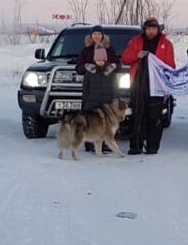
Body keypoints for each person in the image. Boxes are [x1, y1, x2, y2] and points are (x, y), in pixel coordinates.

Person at [121, 17, 176, 155]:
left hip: (157, 85)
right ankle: (135, 146)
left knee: (155, 117)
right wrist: (137, 55)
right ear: (144, 29)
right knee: (136, 116)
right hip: (138, 82)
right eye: (149, 29)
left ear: (158, 29)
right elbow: (125, 58)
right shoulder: (136, 41)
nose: (151, 31)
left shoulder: (166, 44)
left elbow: (170, 66)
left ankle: (152, 146)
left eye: (153, 28)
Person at [75, 25, 120, 154]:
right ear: (90, 36)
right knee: (90, 117)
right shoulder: (86, 51)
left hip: (107, 87)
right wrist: (88, 66)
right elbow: (78, 68)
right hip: (91, 89)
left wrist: (109, 66)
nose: (96, 36)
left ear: (102, 36)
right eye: (94, 34)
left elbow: (118, 64)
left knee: (106, 118)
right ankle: (89, 143)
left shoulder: (109, 50)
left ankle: (106, 143)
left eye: (99, 34)